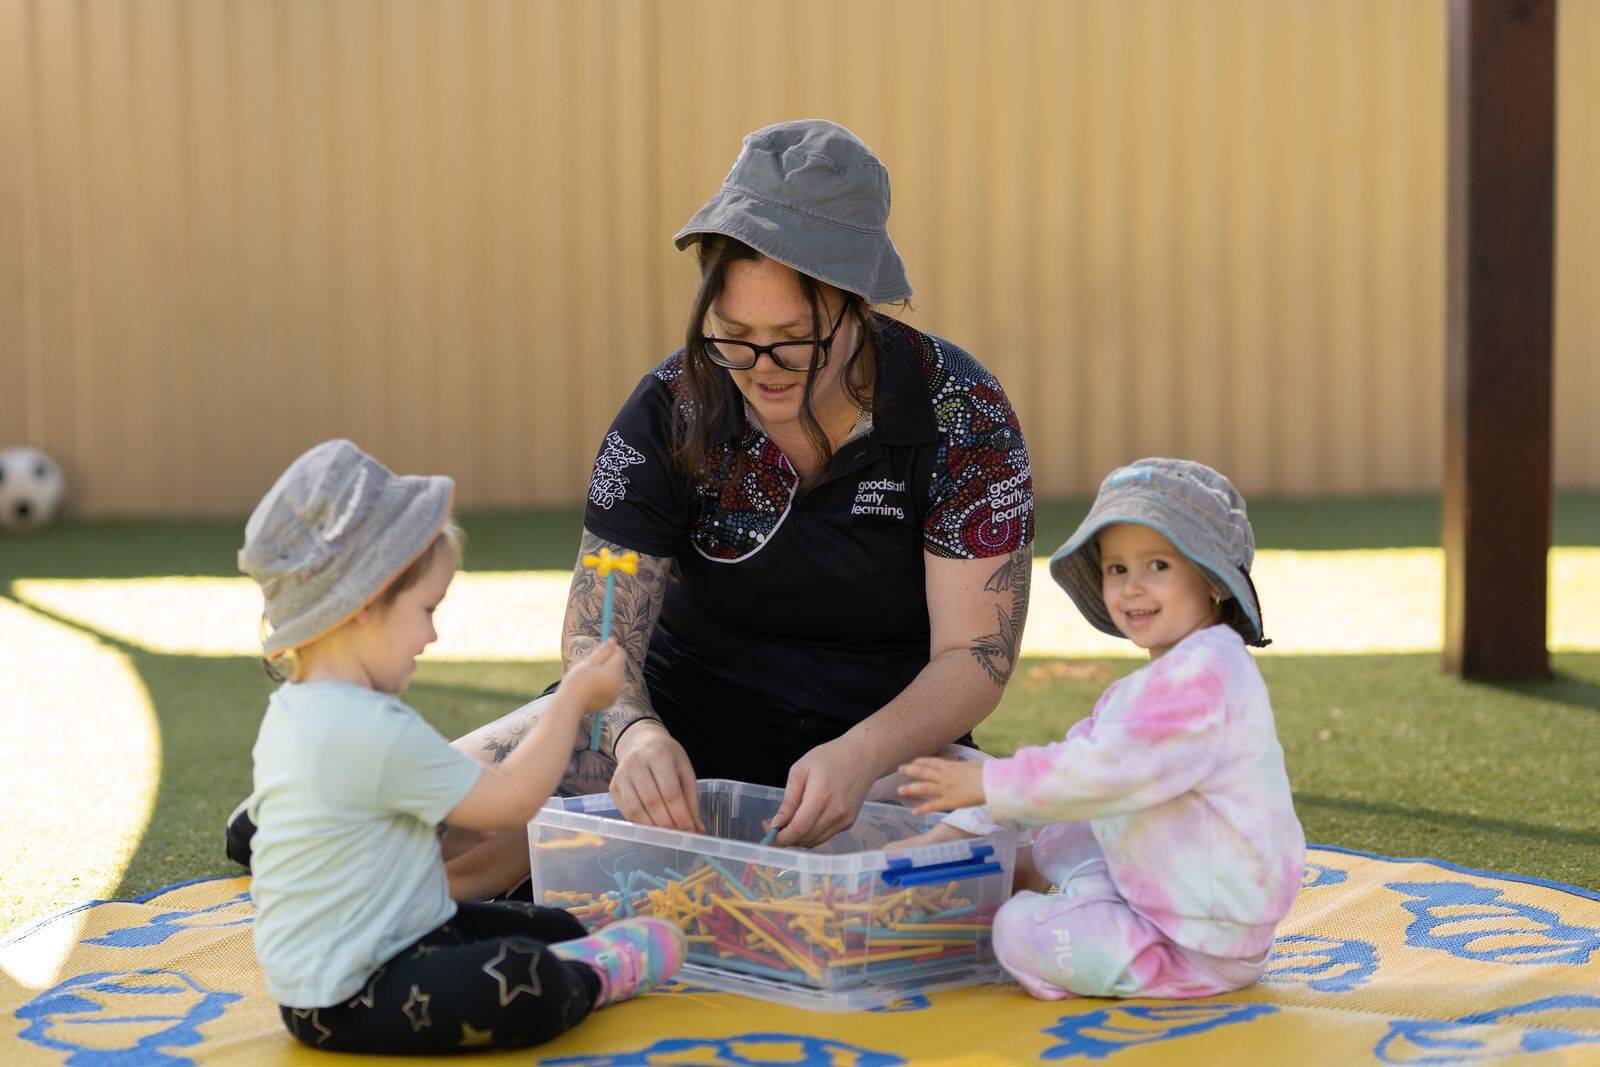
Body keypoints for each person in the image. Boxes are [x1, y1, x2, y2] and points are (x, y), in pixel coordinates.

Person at [441, 118, 1037, 894]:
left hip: (883, 749)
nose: (761, 368)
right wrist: (634, 735)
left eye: (793, 338)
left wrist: (859, 754)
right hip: (683, 721)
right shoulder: (671, 407)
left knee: (1016, 859)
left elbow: (976, 656)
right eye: (733, 334)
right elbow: (600, 623)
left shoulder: (961, 411)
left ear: (860, 306)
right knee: (407, 823)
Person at [238, 440, 684, 1054]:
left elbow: (442, 830)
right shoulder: (367, 728)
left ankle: (574, 955)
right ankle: (589, 978)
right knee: (524, 982)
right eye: (425, 609)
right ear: (366, 609)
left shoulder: (300, 710)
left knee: (551, 926)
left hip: (396, 934)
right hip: (347, 992)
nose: (432, 633)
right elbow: (506, 804)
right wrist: (573, 700)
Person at [895, 458, 1305, 1000]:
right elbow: (1078, 757)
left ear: (1212, 582)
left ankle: (1126, 953)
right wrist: (964, 825)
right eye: (1117, 570)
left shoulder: (1205, 679)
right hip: (1176, 887)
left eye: (1157, 565)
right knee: (1055, 818)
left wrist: (988, 787)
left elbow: (1101, 771)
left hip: (1201, 938)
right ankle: (1071, 898)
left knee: (1016, 929)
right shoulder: (1166, 677)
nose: (1132, 588)